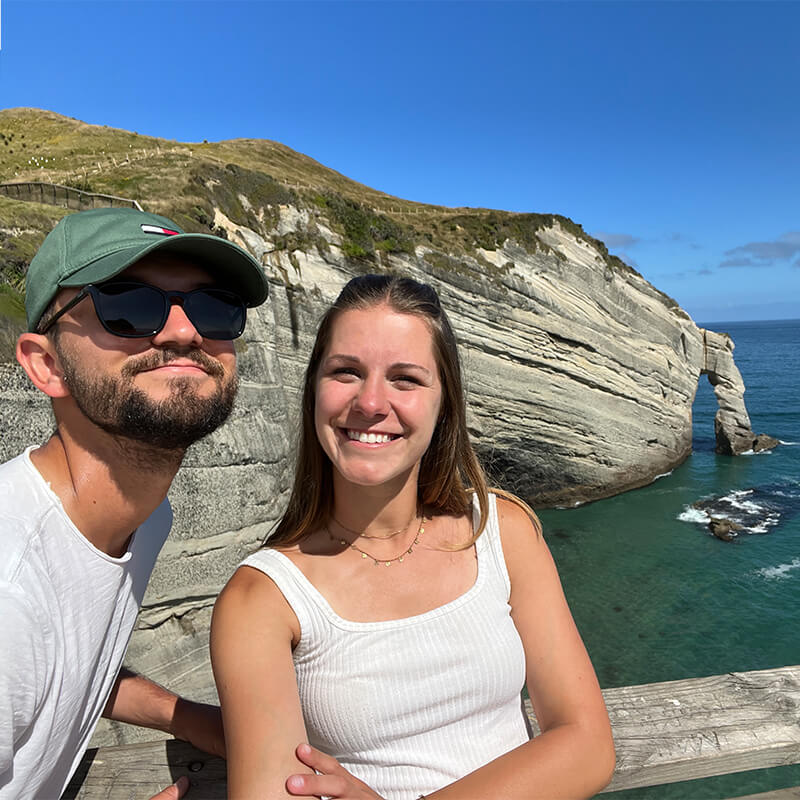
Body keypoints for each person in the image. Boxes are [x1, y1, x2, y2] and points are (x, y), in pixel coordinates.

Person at [211, 274, 615, 799]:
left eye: (405, 378)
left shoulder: (500, 530)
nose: (371, 402)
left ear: (444, 402)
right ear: (314, 389)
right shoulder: (264, 599)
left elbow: (588, 743)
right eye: (346, 372)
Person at [0, 207, 269, 800]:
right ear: (46, 365)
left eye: (214, 306)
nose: (183, 332)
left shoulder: (144, 518)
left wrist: (186, 717)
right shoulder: (10, 589)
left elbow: (67, 670)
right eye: (128, 304)